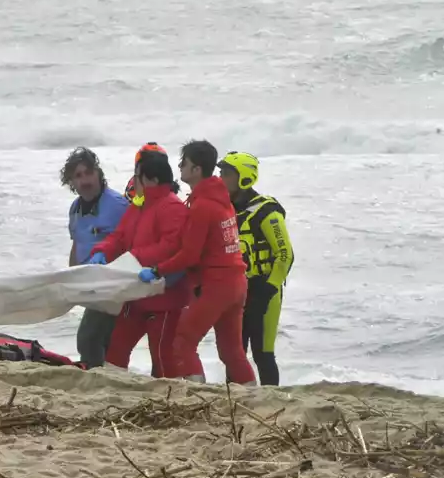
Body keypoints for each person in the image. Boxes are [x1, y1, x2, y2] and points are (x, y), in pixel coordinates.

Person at [137, 140, 257, 385]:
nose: (179, 167)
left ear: (196, 170)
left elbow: (190, 255)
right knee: (231, 351)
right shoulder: (222, 200)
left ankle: (198, 396)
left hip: (216, 285)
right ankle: (254, 398)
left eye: (184, 163)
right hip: (237, 284)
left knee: (183, 341)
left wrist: (157, 269)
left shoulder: (202, 206)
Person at [86, 150, 189, 377]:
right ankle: (116, 391)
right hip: (135, 296)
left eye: (138, 175)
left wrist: (134, 257)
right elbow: (119, 236)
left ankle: (169, 400)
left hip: (164, 297)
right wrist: (102, 251)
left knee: (162, 356)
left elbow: (171, 246)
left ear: (151, 180)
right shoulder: (139, 205)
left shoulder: (172, 207)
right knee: (116, 351)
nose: (135, 180)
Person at [217, 151, 294, 386]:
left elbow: (286, 255)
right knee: (234, 354)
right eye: (220, 173)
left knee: (263, 354)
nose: (221, 179)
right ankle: (234, 402)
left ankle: (272, 402)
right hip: (235, 293)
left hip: (264, 292)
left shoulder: (266, 211)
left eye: (226, 174)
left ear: (244, 178)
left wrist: (267, 290)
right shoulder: (224, 209)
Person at [60, 147, 129, 369]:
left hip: (114, 286)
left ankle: (97, 376)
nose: (85, 180)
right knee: (103, 340)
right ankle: (105, 376)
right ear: (71, 182)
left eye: (88, 173)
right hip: (90, 285)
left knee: (88, 338)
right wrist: (72, 278)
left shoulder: (118, 205)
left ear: (98, 173)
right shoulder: (75, 209)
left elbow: (133, 242)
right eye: (78, 176)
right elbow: (77, 243)